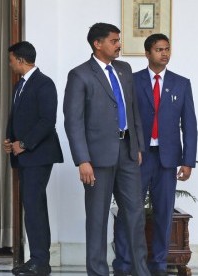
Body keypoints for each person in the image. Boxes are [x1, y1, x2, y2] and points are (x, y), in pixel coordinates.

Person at [63, 23, 150, 276]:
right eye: (114, 41)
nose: (119, 44)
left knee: (135, 215)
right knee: (98, 219)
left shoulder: (124, 69)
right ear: (97, 44)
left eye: (119, 40)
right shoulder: (80, 75)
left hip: (128, 152)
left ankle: (141, 271)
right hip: (96, 159)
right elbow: (73, 120)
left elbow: (133, 111)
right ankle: (98, 272)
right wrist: (82, 160)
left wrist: (138, 146)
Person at [112, 33, 198, 276]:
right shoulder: (132, 80)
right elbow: (125, 117)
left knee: (163, 213)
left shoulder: (181, 84)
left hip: (167, 159)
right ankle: (124, 264)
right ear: (147, 53)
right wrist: (130, 149)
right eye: (159, 49)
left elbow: (189, 125)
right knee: (130, 211)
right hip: (138, 157)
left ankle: (158, 264)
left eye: (167, 49)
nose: (165, 53)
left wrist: (188, 161)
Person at [4, 41, 63, 276]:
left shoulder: (44, 83)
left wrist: (24, 144)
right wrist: (11, 140)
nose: (9, 64)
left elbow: (47, 121)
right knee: (32, 206)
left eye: (11, 60)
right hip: (25, 157)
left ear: (20, 60)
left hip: (38, 156)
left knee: (34, 206)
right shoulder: (20, 85)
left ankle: (40, 261)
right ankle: (37, 259)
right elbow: (19, 117)